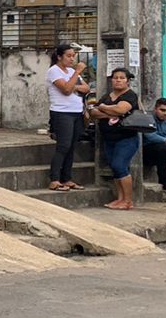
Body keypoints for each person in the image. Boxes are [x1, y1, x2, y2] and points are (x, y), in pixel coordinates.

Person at [85, 67, 141, 210]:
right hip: (109, 138)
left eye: (122, 78)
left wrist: (104, 108)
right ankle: (120, 198)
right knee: (115, 169)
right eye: (115, 78)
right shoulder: (107, 96)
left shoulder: (130, 95)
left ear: (127, 81)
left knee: (119, 166)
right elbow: (93, 112)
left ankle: (128, 200)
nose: (118, 80)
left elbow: (121, 109)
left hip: (126, 138)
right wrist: (111, 113)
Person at [45, 42, 93, 191]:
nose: (72, 59)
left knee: (72, 146)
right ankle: (54, 179)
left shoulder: (71, 71)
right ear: (59, 56)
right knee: (63, 145)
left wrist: (74, 85)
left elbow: (86, 88)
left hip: (76, 112)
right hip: (61, 112)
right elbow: (66, 89)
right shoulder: (54, 71)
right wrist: (77, 73)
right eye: (68, 56)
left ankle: (67, 178)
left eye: (73, 56)